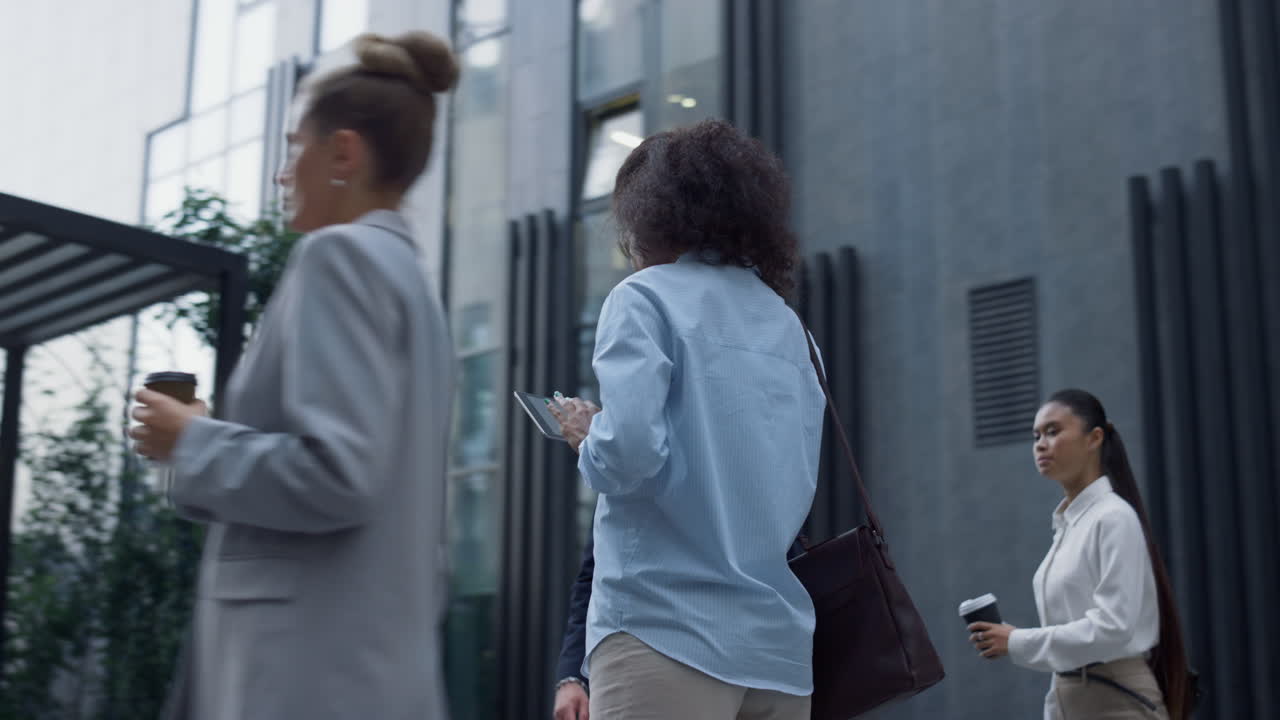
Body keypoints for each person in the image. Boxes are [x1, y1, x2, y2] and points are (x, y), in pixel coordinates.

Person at [130, 31, 459, 720]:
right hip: (363, 667)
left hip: (305, 671)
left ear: (343, 152)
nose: (283, 174)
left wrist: (191, 440)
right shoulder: (412, 286)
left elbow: (337, 474)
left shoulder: (339, 258)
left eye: (293, 148)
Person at [549, 118, 824, 720]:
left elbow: (626, 460)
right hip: (776, 646)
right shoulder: (788, 327)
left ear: (650, 215)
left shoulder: (644, 298)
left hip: (664, 629)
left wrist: (585, 433)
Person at [968, 389, 1194, 719]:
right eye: (1036, 436)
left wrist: (1017, 641)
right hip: (1071, 697)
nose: (1040, 444)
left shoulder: (1113, 517)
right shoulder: (1070, 525)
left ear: (1095, 438)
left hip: (1115, 698)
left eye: (1053, 431)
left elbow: (1114, 628)